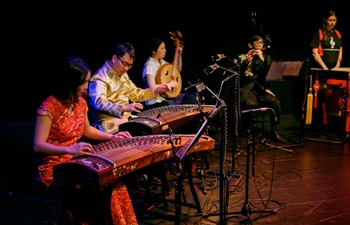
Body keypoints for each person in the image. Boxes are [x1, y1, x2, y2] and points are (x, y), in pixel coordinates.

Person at [33, 56, 138, 224]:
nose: (87, 87)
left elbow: (87, 130)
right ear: (71, 83)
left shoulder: (80, 103)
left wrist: (112, 136)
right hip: (55, 167)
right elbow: (38, 145)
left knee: (113, 183)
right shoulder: (49, 108)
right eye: (84, 83)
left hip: (77, 159)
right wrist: (69, 150)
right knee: (98, 188)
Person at [88, 42, 171, 134]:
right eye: (125, 63)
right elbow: (99, 103)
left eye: (129, 65)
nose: (126, 68)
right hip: (108, 125)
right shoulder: (99, 78)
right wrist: (124, 108)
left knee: (158, 126)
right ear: (114, 58)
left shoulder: (123, 75)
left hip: (125, 120)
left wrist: (155, 91)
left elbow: (135, 93)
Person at [234, 34, 285, 143]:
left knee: (275, 102)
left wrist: (262, 58)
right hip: (247, 89)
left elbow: (271, 72)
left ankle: (275, 132)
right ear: (250, 45)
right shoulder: (240, 56)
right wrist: (246, 61)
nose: (260, 45)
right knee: (251, 104)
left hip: (260, 88)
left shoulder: (266, 57)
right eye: (257, 43)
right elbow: (238, 73)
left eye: (261, 43)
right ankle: (249, 132)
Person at [310, 10, 345, 131]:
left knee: (334, 95)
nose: (332, 22)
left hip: (335, 70)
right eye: (330, 20)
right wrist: (324, 68)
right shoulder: (319, 33)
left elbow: (340, 49)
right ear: (325, 20)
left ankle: (333, 122)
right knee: (321, 98)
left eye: (334, 20)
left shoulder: (338, 34)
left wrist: (338, 64)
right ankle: (321, 125)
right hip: (322, 70)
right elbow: (315, 52)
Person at [141, 37, 196, 111]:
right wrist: (169, 85)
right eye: (162, 48)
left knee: (191, 97)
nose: (165, 51)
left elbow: (177, 69)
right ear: (154, 51)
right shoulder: (150, 65)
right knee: (174, 109)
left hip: (166, 97)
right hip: (155, 101)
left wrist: (178, 55)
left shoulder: (162, 62)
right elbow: (152, 87)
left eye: (165, 48)